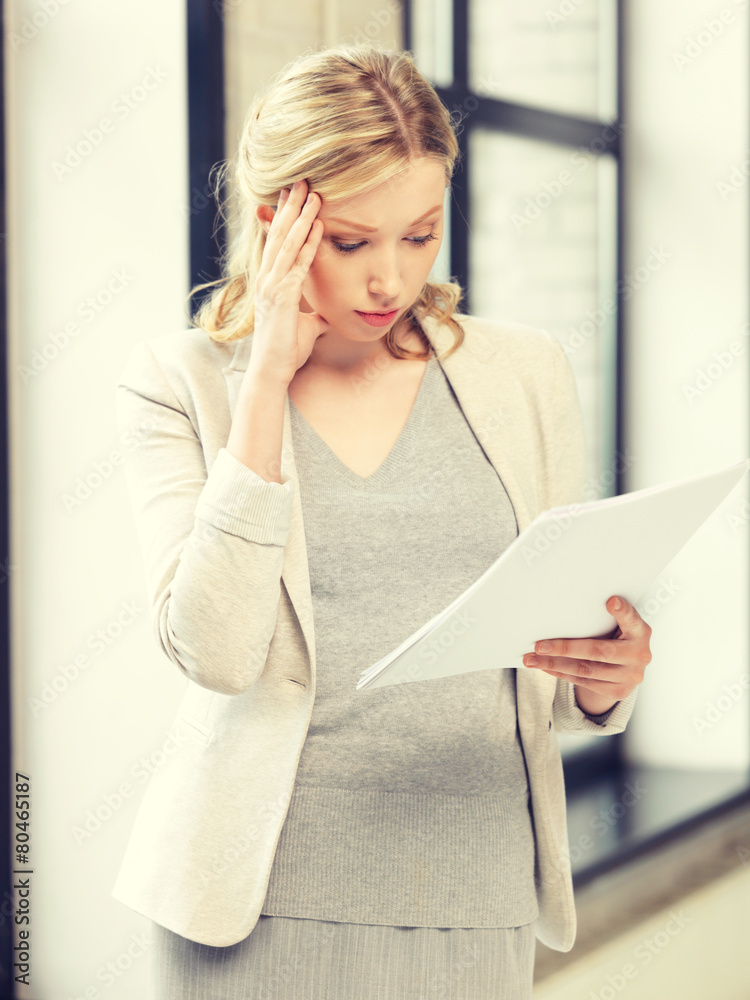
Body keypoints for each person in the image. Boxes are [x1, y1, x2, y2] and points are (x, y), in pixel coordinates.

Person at [111, 42, 651, 1000]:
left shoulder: (523, 374)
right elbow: (218, 653)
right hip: (259, 905)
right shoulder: (180, 386)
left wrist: (607, 679)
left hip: (476, 892)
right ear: (275, 220)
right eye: (352, 242)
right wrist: (267, 380)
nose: (389, 282)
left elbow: (555, 667)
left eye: (422, 234)